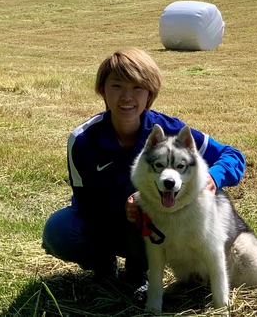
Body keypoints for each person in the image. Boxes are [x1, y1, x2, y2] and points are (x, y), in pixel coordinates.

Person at [41, 47, 246, 291]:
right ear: (102, 90)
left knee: (146, 207)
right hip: (105, 219)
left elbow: (233, 156)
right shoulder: (83, 139)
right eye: (117, 86)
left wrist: (214, 176)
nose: (127, 97)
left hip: (158, 223)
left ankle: (138, 274)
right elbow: (84, 200)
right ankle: (104, 264)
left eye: (137, 87)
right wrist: (123, 208)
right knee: (59, 231)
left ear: (150, 94)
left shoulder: (169, 130)